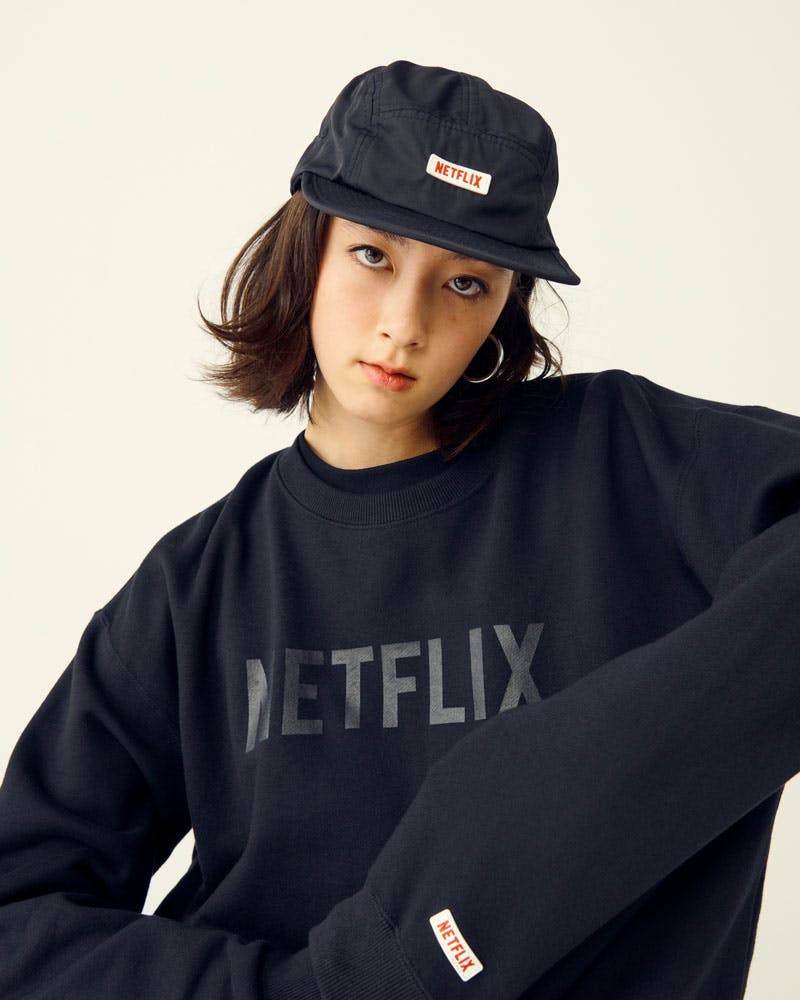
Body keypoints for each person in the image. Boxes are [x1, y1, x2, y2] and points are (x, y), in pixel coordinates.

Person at [0, 59, 798, 1000]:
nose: (405, 324)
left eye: (464, 283)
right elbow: (21, 921)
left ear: (505, 306)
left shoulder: (627, 464)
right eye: (373, 256)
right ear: (308, 247)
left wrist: (506, 859)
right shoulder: (195, 585)